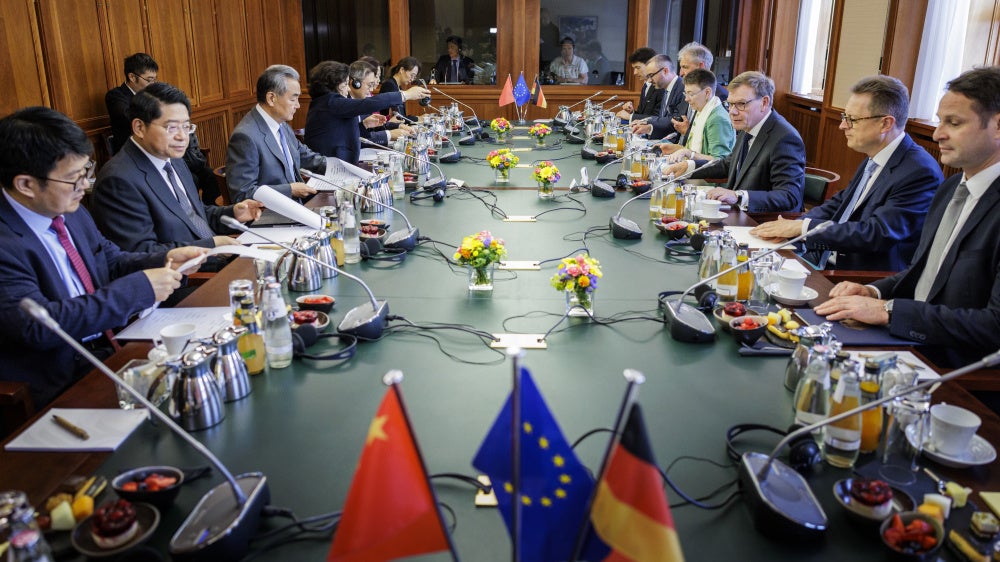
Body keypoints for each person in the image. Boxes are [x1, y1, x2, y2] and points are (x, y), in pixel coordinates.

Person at [0, 106, 208, 408]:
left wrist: (164, 259)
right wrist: (138, 289)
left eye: (86, 171)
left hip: (113, 348)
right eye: (73, 178)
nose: (85, 185)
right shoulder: (6, 243)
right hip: (58, 381)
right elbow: (41, 326)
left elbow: (109, 260)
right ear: (26, 184)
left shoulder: (68, 209)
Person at [814, 67, 1000, 370]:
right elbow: (923, 272)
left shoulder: (929, 175)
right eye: (940, 121)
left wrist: (889, 311)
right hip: (906, 335)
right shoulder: (951, 187)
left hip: (952, 366)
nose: (938, 134)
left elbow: (993, 325)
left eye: (954, 123)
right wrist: (873, 291)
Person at [751, 75, 942, 268]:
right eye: (844, 117)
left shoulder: (919, 172)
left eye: (853, 119)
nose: (842, 125)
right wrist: (795, 226)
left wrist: (803, 228)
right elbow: (840, 203)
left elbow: (876, 233)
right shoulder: (875, 156)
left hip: (855, 276)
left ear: (885, 124)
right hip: (823, 256)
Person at [91, 83, 263, 262]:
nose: (182, 137)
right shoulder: (118, 181)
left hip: (218, 260)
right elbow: (140, 254)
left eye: (186, 127)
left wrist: (233, 213)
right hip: (188, 274)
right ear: (139, 127)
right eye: (172, 128)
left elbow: (192, 216)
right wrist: (211, 246)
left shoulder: (173, 158)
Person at [660, 71, 805, 213]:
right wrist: (689, 166)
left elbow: (789, 196)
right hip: (738, 213)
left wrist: (738, 196)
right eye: (730, 104)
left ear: (764, 102)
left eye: (741, 104)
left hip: (763, 221)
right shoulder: (749, 125)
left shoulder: (785, 138)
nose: (732, 112)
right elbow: (728, 164)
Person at [105, 53, 218, 204]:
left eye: (185, 126)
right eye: (149, 80)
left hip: (164, 150)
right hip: (141, 153)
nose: (152, 84)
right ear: (132, 77)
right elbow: (130, 116)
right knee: (191, 179)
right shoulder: (115, 96)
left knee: (209, 174)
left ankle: (205, 207)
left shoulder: (154, 96)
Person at [225, 65, 326, 203]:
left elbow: (305, 156)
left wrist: (338, 168)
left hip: (296, 206)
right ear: (271, 98)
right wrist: (290, 190)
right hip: (271, 213)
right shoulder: (245, 137)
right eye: (293, 99)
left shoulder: (281, 125)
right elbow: (242, 194)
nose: (298, 105)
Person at [304, 60, 428, 164]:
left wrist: (364, 125)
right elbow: (369, 103)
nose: (348, 89)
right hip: (331, 169)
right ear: (333, 85)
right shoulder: (330, 102)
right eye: (345, 84)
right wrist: (405, 95)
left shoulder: (330, 103)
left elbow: (343, 134)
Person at [652, 69, 734, 161]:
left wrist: (688, 153)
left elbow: (719, 160)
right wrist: (675, 148)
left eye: (691, 94)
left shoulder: (717, 119)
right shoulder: (701, 110)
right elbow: (695, 149)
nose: (686, 99)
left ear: (707, 92)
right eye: (685, 93)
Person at [673, 42, 728, 141]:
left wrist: (687, 132)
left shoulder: (720, 96)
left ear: (701, 66)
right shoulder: (686, 89)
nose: (680, 73)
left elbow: (715, 138)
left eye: (685, 67)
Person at [628, 55, 688, 141]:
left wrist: (648, 125)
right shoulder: (665, 88)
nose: (649, 80)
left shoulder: (683, 88)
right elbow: (662, 119)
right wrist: (646, 124)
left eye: (651, 75)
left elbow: (675, 120)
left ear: (665, 71)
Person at [617, 47, 660, 121]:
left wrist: (630, 117)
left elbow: (657, 119)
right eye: (634, 68)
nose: (635, 72)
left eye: (638, 68)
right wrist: (632, 112)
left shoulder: (660, 87)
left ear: (650, 65)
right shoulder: (645, 86)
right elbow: (642, 114)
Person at [380, 57, 421, 122]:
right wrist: (418, 118)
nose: (412, 79)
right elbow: (397, 117)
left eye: (414, 77)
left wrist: (418, 118)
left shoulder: (398, 86)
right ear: (402, 70)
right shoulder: (389, 85)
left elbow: (401, 115)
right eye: (412, 75)